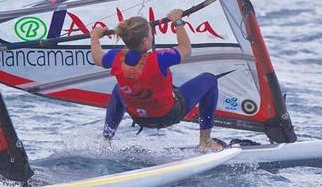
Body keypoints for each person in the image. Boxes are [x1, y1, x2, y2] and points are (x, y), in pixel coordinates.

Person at [90, 9, 224, 151]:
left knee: (119, 89)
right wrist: (177, 22)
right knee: (209, 79)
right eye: (150, 33)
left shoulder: (115, 56)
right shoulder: (159, 58)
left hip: (138, 116)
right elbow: (185, 49)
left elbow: (98, 58)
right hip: (168, 114)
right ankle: (205, 141)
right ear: (146, 41)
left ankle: (106, 140)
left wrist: (94, 37)